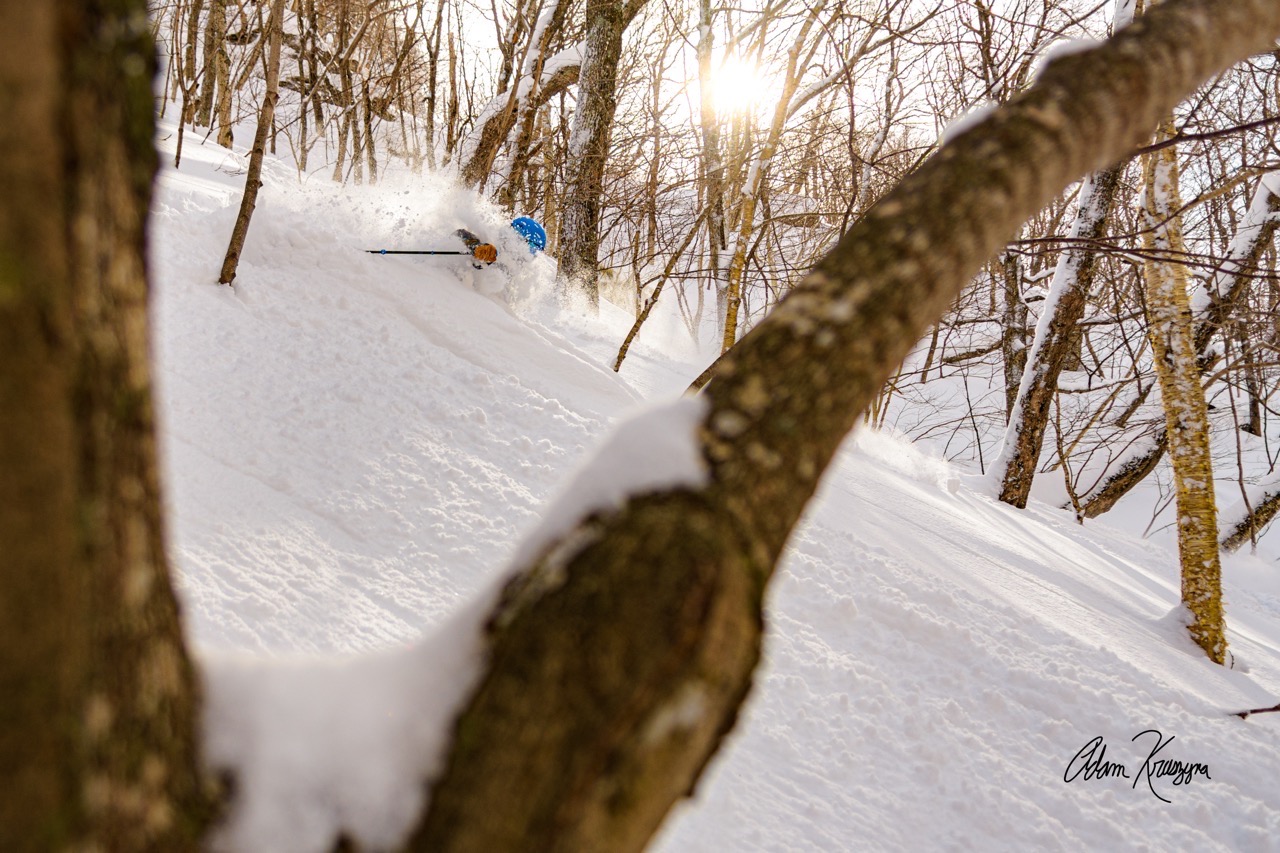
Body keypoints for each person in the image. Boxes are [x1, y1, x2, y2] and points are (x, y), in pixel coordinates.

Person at [454, 217, 547, 268]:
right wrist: (476, 247)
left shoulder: (515, 271)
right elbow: (459, 235)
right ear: (518, 238)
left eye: (536, 251)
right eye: (532, 248)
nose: (532, 255)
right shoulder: (491, 241)